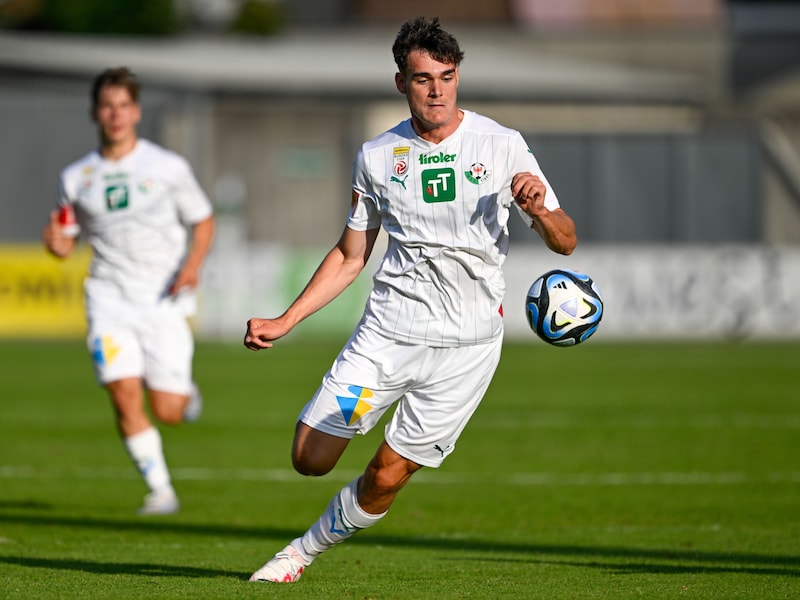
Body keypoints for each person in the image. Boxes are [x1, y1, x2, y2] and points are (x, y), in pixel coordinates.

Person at [243, 16, 577, 583]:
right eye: (424, 78)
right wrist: (287, 319)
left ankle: (301, 553)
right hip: (388, 335)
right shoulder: (377, 156)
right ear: (402, 82)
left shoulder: (502, 146)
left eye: (447, 76)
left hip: (466, 350)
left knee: (386, 477)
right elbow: (351, 255)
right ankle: (328, 472)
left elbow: (566, 241)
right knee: (309, 458)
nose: (438, 89)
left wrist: (540, 210)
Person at [43, 67, 215, 516]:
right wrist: (56, 243)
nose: (115, 114)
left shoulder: (167, 167)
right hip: (109, 299)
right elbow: (64, 236)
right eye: (107, 106)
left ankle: (187, 397)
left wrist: (192, 266)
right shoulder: (76, 177)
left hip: (162, 299)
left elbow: (203, 218)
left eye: (123, 105)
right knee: (122, 393)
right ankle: (161, 491)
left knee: (169, 410)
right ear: (95, 113)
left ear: (135, 111)